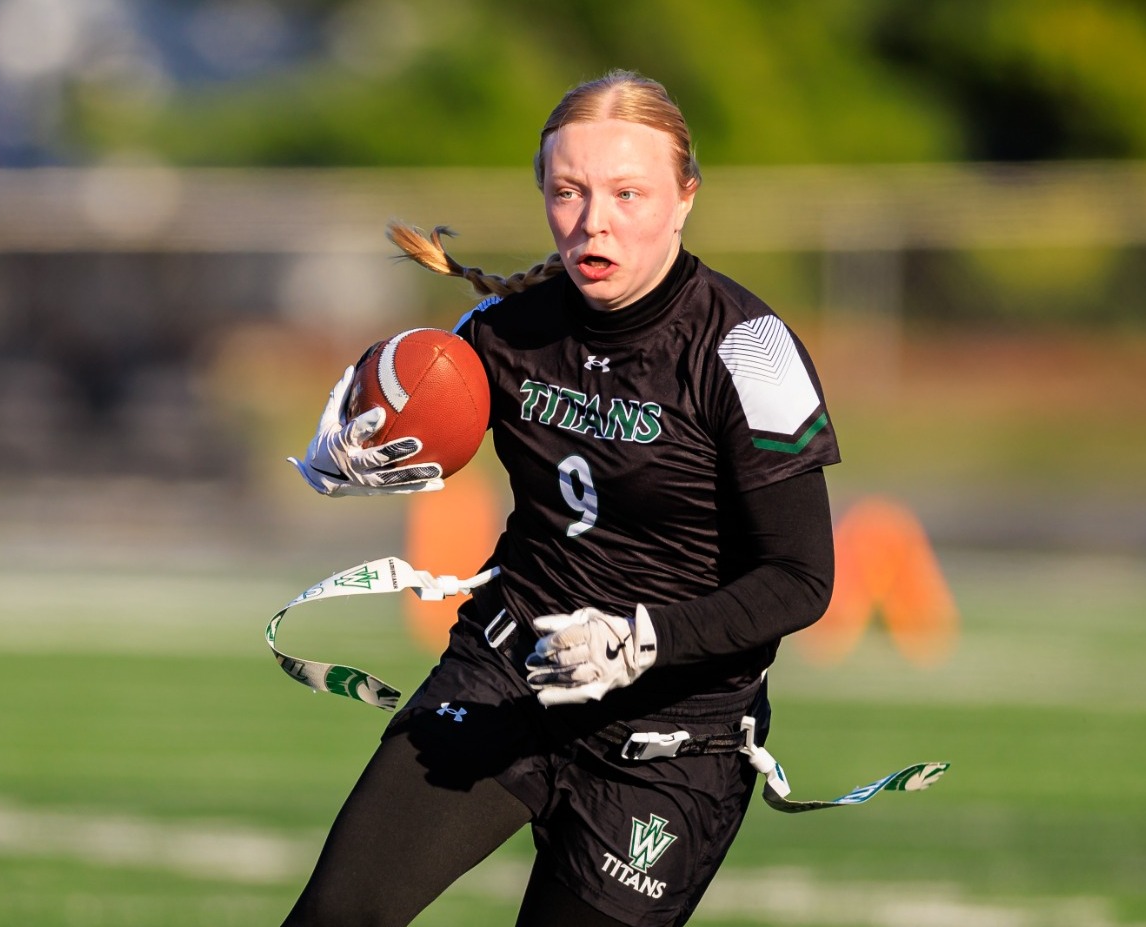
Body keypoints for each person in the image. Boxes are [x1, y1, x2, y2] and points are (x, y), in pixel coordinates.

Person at [284, 69, 840, 927]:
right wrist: (350, 453)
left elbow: (802, 577)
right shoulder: (503, 330)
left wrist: (643, 637)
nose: (593, 220)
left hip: (670, 737)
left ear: (685, 198)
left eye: (627, 192)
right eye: (568, 190)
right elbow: (422, 414)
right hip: (507, 672)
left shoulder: (749, 349)